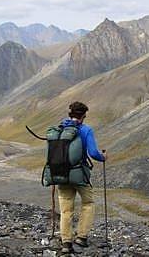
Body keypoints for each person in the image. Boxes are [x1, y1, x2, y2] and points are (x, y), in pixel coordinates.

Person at [58, 101, 106, 254]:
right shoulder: (86, 130)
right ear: (83, 115)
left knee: (66, 209)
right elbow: (93, 153)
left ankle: (66, 242)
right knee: (88, 203)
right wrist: (103, 157)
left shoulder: (60, 129)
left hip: (61, 174)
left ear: (70, 114)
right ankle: (81, 237)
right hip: (80, 174)